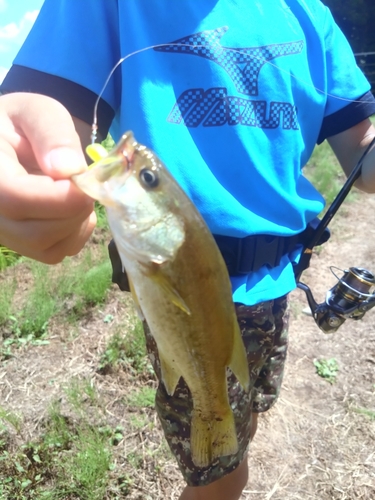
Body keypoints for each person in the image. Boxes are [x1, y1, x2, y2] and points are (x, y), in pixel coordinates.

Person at [1, 1, 375, 499]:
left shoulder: (310, 13)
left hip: (279, 288)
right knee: (218, 478)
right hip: (183, 298)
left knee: (248, 414)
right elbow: (43, 103)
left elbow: (362, 144)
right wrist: (24, 144)